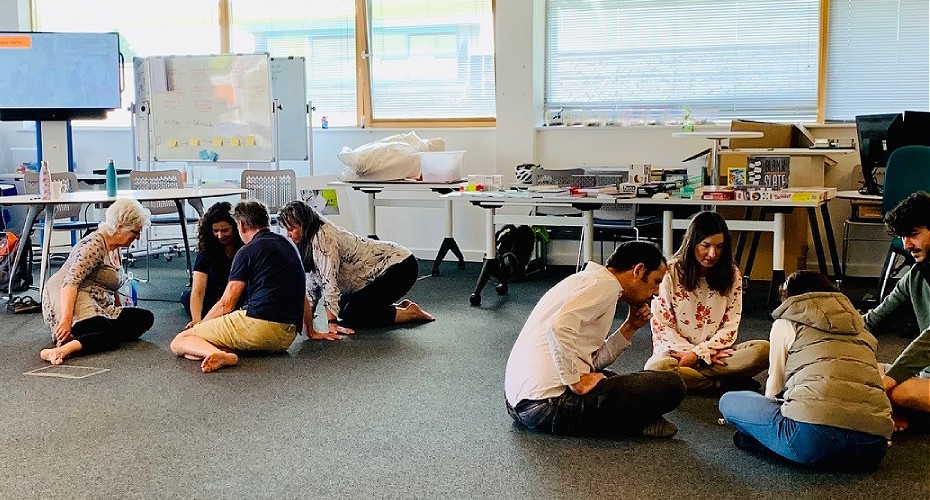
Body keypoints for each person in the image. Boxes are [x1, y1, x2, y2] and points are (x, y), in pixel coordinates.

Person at [504, 241, 687, 438]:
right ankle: (635, 425)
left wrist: (630, 327)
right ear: (639, 271)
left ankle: (629, 421)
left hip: (521, 406)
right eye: (656, 282)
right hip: (547, 406)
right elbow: (558, 327)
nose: (656, 293)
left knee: (611, 378)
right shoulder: (605, 286)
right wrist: (575, 382)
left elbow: (592, 363)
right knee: (673, 384)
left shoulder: (590, 281)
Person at [719, 271, 893, 470]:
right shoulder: (863, 332)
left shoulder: (786, 323)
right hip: (873, 449)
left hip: (813, 442)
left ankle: (772, 446)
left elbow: (775, 386)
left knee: (729, 401)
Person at [169, 200, 306, 373]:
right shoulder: (288, 244)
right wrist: (311, 331)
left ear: (240, 225)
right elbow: (302, 293)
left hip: (259, 327)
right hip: (287, 336)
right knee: (197, 346)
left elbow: (227, 303)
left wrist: (200, 325)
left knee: (181, 341)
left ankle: (217, 354)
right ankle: (218, 350)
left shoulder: (247, 250)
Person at [647, 211, 768, 392]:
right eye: (706, 245)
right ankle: (719, 384)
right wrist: (691, 355)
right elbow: (662, 326)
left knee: (763, 350)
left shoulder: (732, 274)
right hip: (676, 354)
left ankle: (694, 381)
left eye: (719, 247)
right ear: (692, 243)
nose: (713, 254)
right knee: (657, 369)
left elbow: (730, 325)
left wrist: (700, 354)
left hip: (713, 354)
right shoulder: (669, 272)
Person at [277, 200, 433, 335]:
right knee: (344, 309)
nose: (288, 234)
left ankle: (410, 313)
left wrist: (332, 323)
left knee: (354, 314)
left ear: (304, 225)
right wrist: (308, 316)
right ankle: (399, 307)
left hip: (400, 267)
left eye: (291, 229)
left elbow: (328, 282)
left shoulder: (324, 238)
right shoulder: (306, 242)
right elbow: (313, 280)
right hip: (375, 275)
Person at [40, 198, 154, 365]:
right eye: (135, 233)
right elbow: (70, 283)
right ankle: (62, 350)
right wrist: (65, 320)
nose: (137, 238)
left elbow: (112, 283)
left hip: (97, 300)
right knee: (108, 335)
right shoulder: (93, 246)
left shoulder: (115, 246)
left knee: (144, 318)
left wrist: (117, 308)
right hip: (71, 297)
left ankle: (87, 336)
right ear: (120, 228)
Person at [863, 192, 930, 431]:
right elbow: (873, 320)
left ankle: (898, 409)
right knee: (854, 375)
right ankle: (897, 410)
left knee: (901, 391)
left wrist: (887, 381)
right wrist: (826, 324)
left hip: (920, 379)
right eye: (903, 237)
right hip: (926, 376)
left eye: (913, 235)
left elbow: (928, 342)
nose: (906, 245)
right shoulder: (915, 276)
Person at [180, 202, 244, 322]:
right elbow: (198, 291)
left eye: (225, 230)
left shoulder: (245, 247)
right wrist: (196, 321)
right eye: (216, 231)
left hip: (239, 292)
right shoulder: (207, 249)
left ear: (235, 227)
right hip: (213, 292)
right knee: (198, 305)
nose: (220, 236)